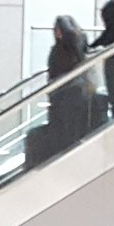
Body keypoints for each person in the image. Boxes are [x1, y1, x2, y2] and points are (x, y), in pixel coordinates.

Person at [43, 15, 98, 157]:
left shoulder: (61, 50)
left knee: (65, 132)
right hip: (75, 95)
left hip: (65, 96)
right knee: (71, 131)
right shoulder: (80, 46)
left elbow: (55, 73)